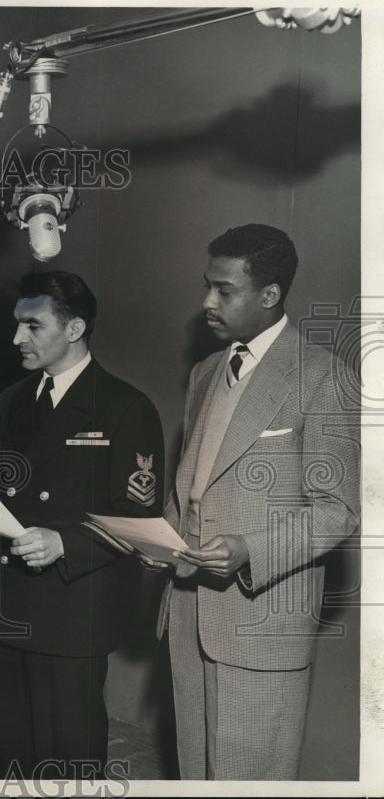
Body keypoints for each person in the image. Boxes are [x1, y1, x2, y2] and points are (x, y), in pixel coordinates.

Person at [156, 224, 360, 780]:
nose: (207, 303)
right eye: (207, 286)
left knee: (250, 780)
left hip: (262, 619)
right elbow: (193, 483)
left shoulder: (322, 376)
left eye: (224, 290)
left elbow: (338, 508)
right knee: (195, 770)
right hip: (190, 610)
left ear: (269, 296)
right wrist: (159, 540)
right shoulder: (203, 374)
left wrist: (252, 548)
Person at [0, 270, 165, 780]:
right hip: (6, 607)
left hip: (72, 614)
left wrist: (65, 542)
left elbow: (140, 520)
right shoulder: (10, 400)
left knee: (65, 762)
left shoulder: (126, 408)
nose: (17, 338)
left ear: (75, 328)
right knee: (0, 758)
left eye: (32, 326)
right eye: (17, 325)